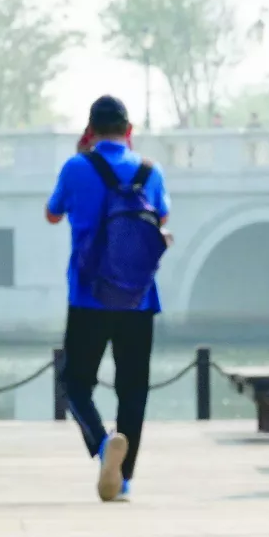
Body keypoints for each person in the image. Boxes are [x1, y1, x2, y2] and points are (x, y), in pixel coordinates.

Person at [46, 95, 172, 502]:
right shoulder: (150, 171)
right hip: (139, 298)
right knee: (133, 388)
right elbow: (163, 218)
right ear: (129, 131)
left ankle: (103, 446)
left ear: (90, 130)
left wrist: (82, 158)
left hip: (87, 295)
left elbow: (52, 213)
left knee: (75, 382)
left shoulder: (76, 167)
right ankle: (126, 477)